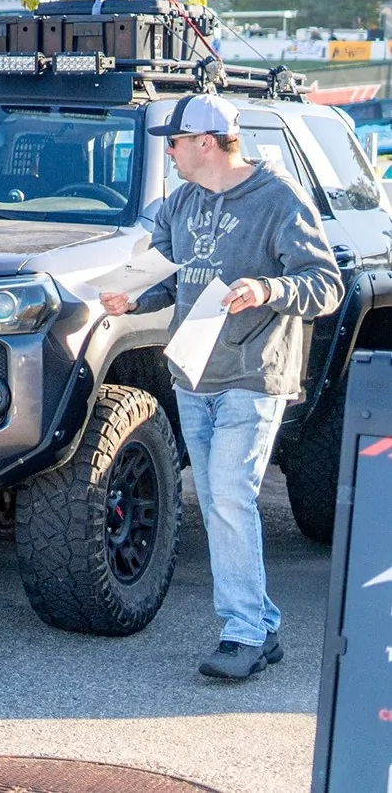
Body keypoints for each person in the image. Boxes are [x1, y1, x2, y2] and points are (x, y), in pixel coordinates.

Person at [100, 94, 341, 680]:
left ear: (205, 143)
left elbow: (325, 284)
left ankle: (242, 634)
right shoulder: (182, 201)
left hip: (253, 375)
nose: (170, 152)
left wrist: (266, 290)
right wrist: (134, 296)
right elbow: (174, 277)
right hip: (192, 373)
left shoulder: (278, 198)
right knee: (216, 502)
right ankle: (262, 623)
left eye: (174, 142)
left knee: (231, 496)